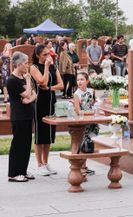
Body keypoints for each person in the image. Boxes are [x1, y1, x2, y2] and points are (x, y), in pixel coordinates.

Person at [30, 44, 64, 176]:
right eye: (44, 54)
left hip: (51, 102)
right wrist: (45, 67)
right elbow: (42, 82)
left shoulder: (53, 67)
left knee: (49, 135)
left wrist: (51, 88)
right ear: (38, 55)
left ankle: (46, 162)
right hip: (39, 103)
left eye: (48, 54)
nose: (47, 56)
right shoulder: (34, 67)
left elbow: (61, 85)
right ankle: (39, 164)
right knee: (40, 135)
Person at [7, 52, 37, 182]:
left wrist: (30, 100)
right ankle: (14, 174)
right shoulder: (12, 80)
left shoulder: (22, 78)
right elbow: (27, 93)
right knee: (18, 145)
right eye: (25, 63)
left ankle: (22, 171)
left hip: (27, 115)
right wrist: (29, 81)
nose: (27, 65)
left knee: (26, 145)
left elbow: (34, 94)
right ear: (19, 64)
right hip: (18, 116)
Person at [74, 72, 99, 175]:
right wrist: (90, 113)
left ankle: (85, 165)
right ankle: (81, 166)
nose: (79, 81)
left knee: (89, 143)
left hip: (91, 121)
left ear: (87, 81)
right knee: (82, 143)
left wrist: (95, 111)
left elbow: (94, 104)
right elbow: (78, 110)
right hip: (83, 121)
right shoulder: (77, 94)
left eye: (82, 79)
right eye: (78, 80)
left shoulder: (91, 91)